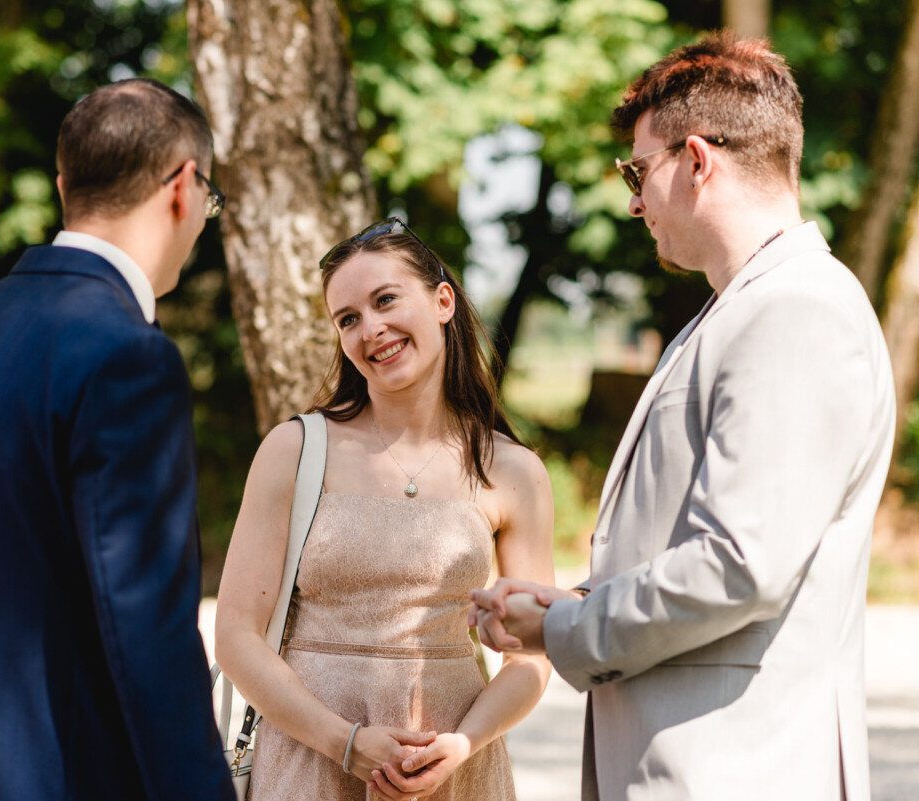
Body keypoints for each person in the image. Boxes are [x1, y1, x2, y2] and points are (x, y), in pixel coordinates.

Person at [469, 31, 894, 801]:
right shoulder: (738, 309)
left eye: (639, 170)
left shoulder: (795, 310)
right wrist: (578, 601)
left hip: (739, 770)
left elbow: (738, 563)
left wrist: (561, 631)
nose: (633, 200)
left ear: (697, 160)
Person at [0, 78, 236, 801]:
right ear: (183, 186)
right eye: (210, 201)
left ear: (64, 185)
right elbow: (147, 626)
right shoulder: (129, 355)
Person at [215, 218, 556, 800]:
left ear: (443, 300)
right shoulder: (294, 449)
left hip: (453, 769)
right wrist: (343, 743)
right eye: (348, 319)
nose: (371, 329)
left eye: (386, 300)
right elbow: (236, 635)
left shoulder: (513, 470)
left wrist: (465, 744)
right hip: (310, 762)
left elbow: (532, 657)